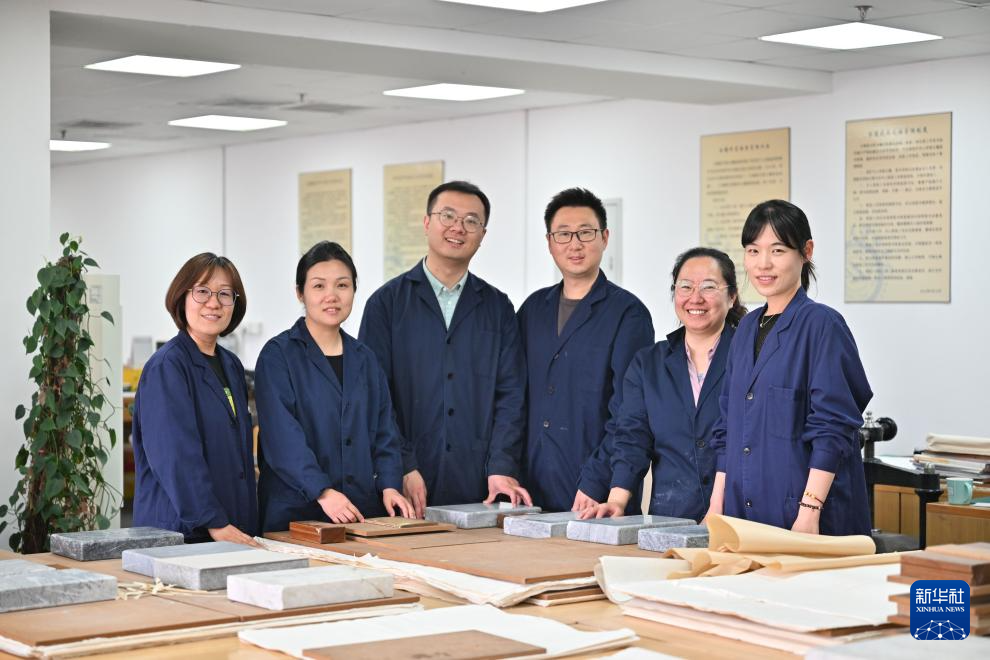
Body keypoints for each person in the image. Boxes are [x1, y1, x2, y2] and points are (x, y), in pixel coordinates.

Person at [359, 180, 530, 516]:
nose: (458, 228)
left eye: (471, 221)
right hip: (406, 485)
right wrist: (402, 465)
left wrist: (500, 466)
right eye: (448, 216)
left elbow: (511, 395)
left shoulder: (498, 308)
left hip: (479, 483)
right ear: (427, 222)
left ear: (482, 235)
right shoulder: (386, 304)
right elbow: (374, 396)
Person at [706, 200, 873, 536]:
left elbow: (833, 427)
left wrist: (809, 511)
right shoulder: (745, 329)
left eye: (778, 250)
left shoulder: (823, 325)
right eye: (753, 251)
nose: (763, 264)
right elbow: (728, 427)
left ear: (806, 251)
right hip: (743, 515)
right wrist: (715, 507)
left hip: (806, 518)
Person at [578, 247, 745, 521]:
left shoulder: (750, 357)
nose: (695, 298)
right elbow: (632, 437)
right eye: (685, 286)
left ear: (732, 296)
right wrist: (617, 500)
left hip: (739, 516)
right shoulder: (648, 364)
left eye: (709, 287)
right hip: (671, 519)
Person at [255, 241, 412, 532]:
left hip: (360, 512)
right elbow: (282, 440)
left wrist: (390, 485)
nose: (332, 296)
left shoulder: (365, 358)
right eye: (319, 286)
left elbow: (385, 432)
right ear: (300, 292)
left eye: (342, 285)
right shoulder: (278, 356)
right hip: (296, 513)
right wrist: (322, 491)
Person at [517, 187, 653, 513]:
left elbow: (630, 411)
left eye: (586, 232)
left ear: (605, 237)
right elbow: (512, 396)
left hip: (595, 492)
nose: (575, 244)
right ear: (549, 242)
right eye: (563, 234)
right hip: (530, 487)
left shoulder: (628, 314)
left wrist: (596, 479)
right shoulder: (532, 310)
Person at [132, 253, 258, 545]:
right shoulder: (167, 366)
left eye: (224, 294)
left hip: (229, 526)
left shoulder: (231, 365)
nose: (214, 303)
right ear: (182, 296)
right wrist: (214, 521)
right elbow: (175, 456)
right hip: (182, 530)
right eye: (202, 291)